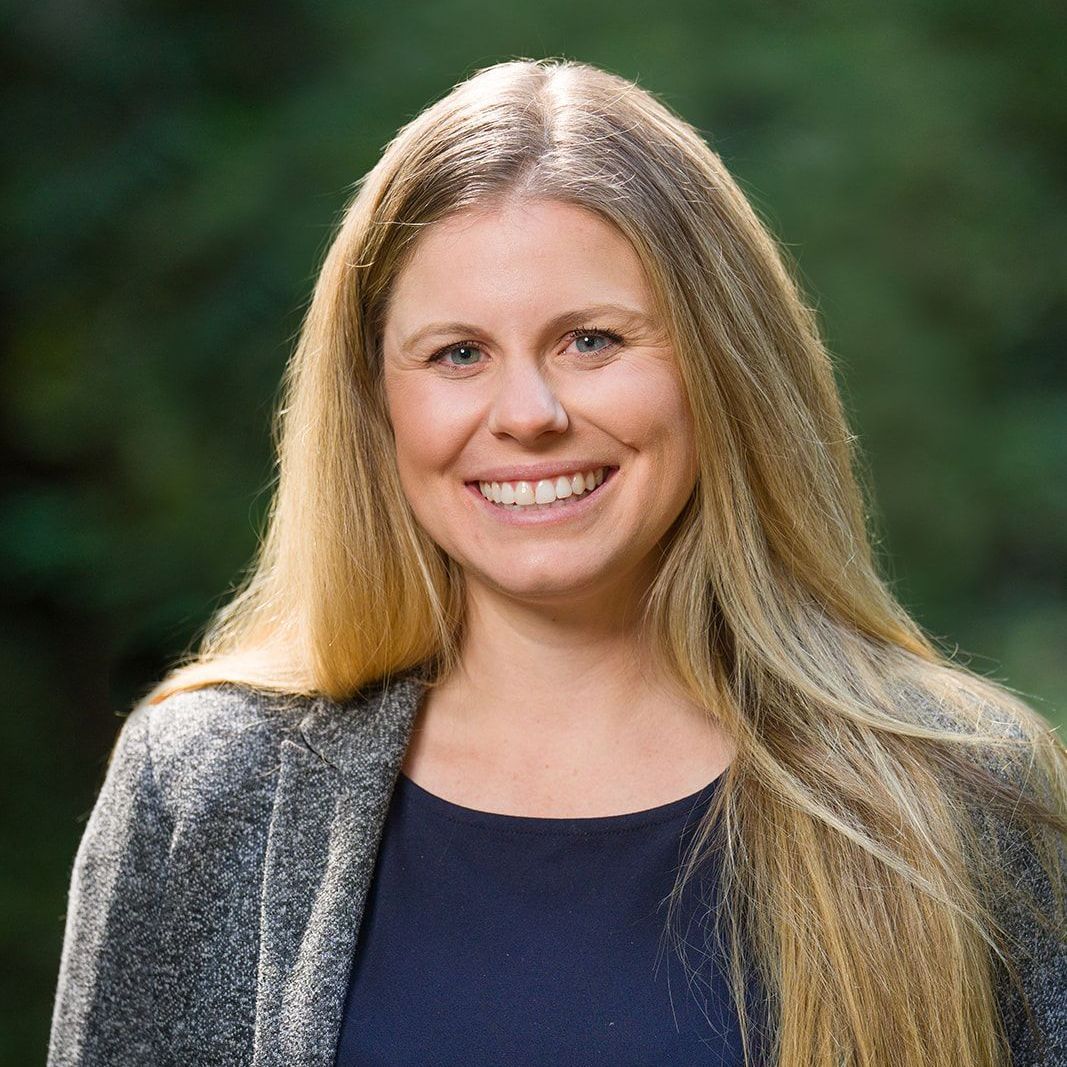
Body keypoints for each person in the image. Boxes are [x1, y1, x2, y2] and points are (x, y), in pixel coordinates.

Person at [47, 58, 1065, 1067]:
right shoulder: (208, 787)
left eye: (589, 340)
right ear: (374, 402)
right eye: (458, 353)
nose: (527, 415)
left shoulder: (962, 798)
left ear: (722, 365)